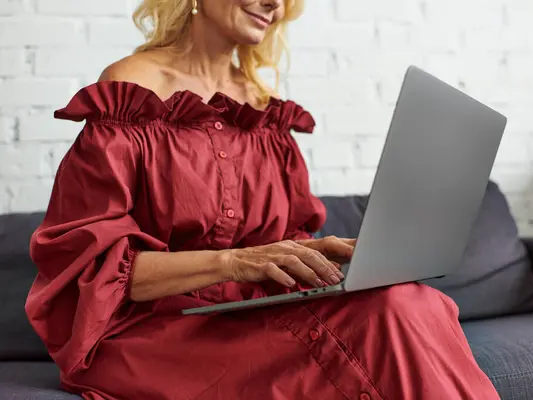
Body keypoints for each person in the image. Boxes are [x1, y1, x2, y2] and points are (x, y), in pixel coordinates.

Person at [25, 0, 500, 399]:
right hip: (154, 331)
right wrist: (232, 262)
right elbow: (92, 267)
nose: (274, 1)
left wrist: (317, 252)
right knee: (388, 318)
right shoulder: (131, 89)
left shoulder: (263, 108)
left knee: (411, 299)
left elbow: (280, 244)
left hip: (246, 312)